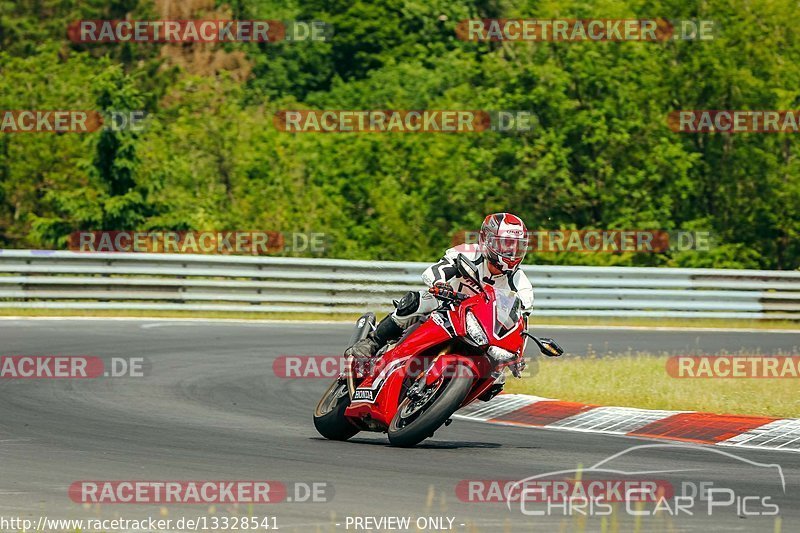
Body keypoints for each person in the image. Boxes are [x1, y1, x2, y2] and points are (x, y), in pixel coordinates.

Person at [345, 212, 534, 364]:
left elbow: (520, 326)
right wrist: (440, 285)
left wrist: (518, 354)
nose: (510, 252)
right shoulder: (468, 253)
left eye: (517, 246)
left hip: (480, 327)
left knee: (496, 376)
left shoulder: (522, 285)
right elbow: (435, 271)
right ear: (487, 240)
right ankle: (372, 342)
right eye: (505, 244)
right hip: (445, 305)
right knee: (417, 301)